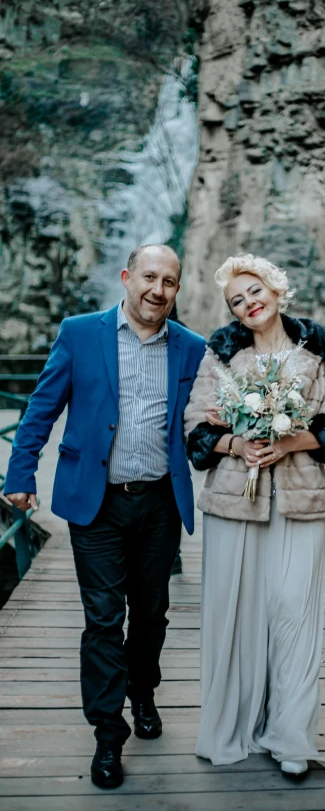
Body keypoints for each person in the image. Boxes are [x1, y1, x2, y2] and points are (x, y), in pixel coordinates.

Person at [4, 244, 206, 789]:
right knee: (101, 618)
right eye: (148, 276)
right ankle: (107, 733)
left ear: (177, 290)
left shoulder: (192, 348)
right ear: (126, 277)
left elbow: (205, 424)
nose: (156, 289)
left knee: (151, 614)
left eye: (168, 281)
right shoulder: (79, 332)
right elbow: (41, 408)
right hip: (96, 501)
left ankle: (143, 690)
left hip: (161, 501)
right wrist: (20, 475)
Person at [184, 253, 325, 775]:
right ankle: (232, 726)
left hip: (301, 500)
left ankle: (292, 738)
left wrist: (287, 443)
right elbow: (197, 426)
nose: (248, 303)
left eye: (255, 291)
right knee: (236, 616)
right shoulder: (221, 354)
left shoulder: (318, 350)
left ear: (277, 290)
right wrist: (235, 443)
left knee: (294, 611)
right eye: (237, 300)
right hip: (236, 503)